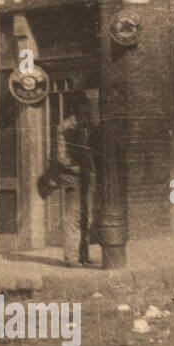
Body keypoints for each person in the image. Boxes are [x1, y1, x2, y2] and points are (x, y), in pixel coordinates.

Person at [54, 91, 96, 266]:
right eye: (82, 108)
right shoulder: (66, 128)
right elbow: (61, 156)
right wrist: (75, 167)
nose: (85, 111)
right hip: (73, 177)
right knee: (73, 217)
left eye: (86, 109)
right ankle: (71, 257)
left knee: (87, 216)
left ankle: (83, 255)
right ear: (75, 109)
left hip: (87, 175)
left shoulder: (85, 126)